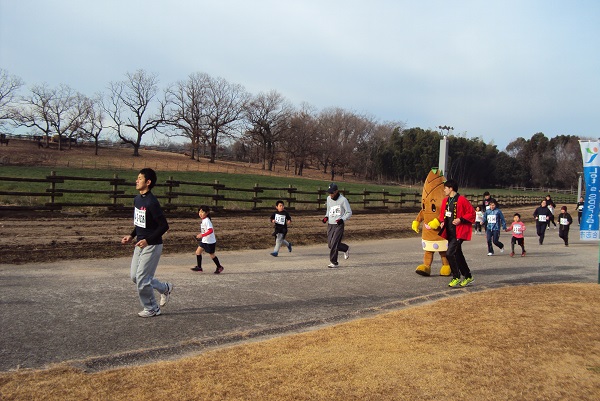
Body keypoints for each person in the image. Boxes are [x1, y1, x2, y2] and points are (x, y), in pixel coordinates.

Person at [121, 168, 173, 318]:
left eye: (139, 178)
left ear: (148, 182)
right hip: (140, 243)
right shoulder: (137, 199)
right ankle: (165, 288)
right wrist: (131, 236)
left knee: (143, 279)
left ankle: (152, 308)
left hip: (153, 244)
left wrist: (148, 240)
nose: (136, 181)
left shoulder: (152, 202)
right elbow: (140, 223)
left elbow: (164, 226)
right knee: (135, 277)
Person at [426, 179, 476, 287]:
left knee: (449, 253)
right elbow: (442, 215)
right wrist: (443, 222)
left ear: (451, 188)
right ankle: (468, 276)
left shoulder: (462, 200)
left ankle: (456, 276)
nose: (444, 190)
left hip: (459, 232)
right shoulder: (445, 201)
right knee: (458, 254)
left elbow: (472, 213)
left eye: (445, 188)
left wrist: (460, 219)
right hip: (450, 232)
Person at [322, 183, 352, 268]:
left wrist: (342, 219)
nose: (330, 195)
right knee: (330, 245)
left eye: (332, 193)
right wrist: (326, 217)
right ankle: (345, 248)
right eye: (329, 193)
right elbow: (329, 210)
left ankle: (334, 262)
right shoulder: (328, 199)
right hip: (330, 224)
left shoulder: (343, 200)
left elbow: (349, 212)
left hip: (339, 225)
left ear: (336, 191)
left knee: (334, 243)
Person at [191, 205, 224, 274]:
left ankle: (219, 267)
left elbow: (210, 230)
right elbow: (205, 230)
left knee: (212, 255)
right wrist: (201, 234)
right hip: (205, 240)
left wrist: (202, 235)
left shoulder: (207, 221)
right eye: (199, 212)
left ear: (207, 213)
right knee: (198, 252)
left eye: (202, 212)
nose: (200, 213)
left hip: (210, 241)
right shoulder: (203, 220)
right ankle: (199, 267)